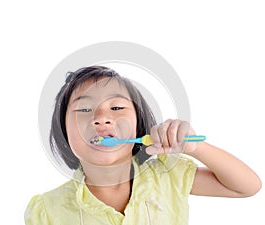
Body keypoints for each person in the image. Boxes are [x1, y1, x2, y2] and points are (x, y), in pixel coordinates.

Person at [25, 66, 261, 225]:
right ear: (64, 132)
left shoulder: (167, 177)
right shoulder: (46, 210)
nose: (101, 117)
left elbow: (246, 187)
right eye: (84, 110)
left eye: (116, 108)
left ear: (139, 126)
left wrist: (194, 148)